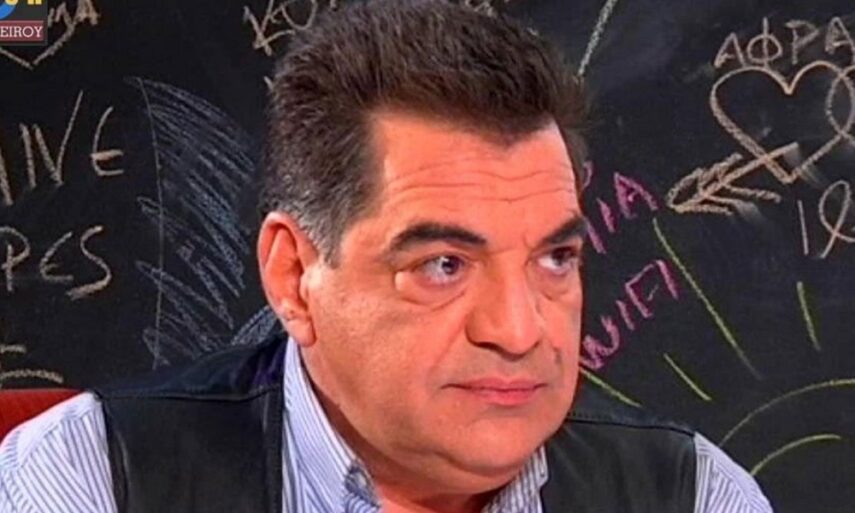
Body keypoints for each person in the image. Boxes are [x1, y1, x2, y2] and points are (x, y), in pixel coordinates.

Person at [0, 1, 773, 512]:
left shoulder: (691, 492)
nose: (518, 330)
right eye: (443, 264)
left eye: (554, 258)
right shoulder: (94, 477)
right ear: (293, 276)